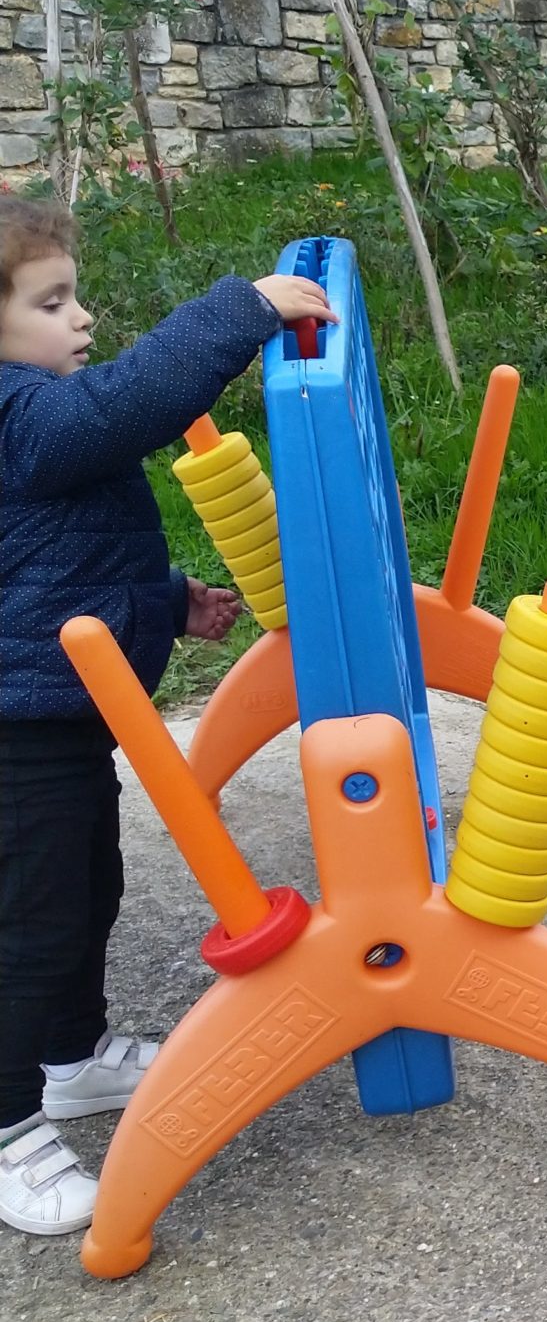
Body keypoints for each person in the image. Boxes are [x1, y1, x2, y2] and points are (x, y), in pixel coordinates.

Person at [0, 197, 335, 1237]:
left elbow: (55, 558)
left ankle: (73, 1060)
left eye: (74, 296)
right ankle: (8, 1130)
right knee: (31, 929)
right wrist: (242, 312)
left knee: (85, 891)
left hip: (59, 717)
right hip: (16, 735)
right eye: (50, 303)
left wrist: (166, 601)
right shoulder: (18, 415)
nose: (81, 318)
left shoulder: (32, 415)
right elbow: (115, 410)